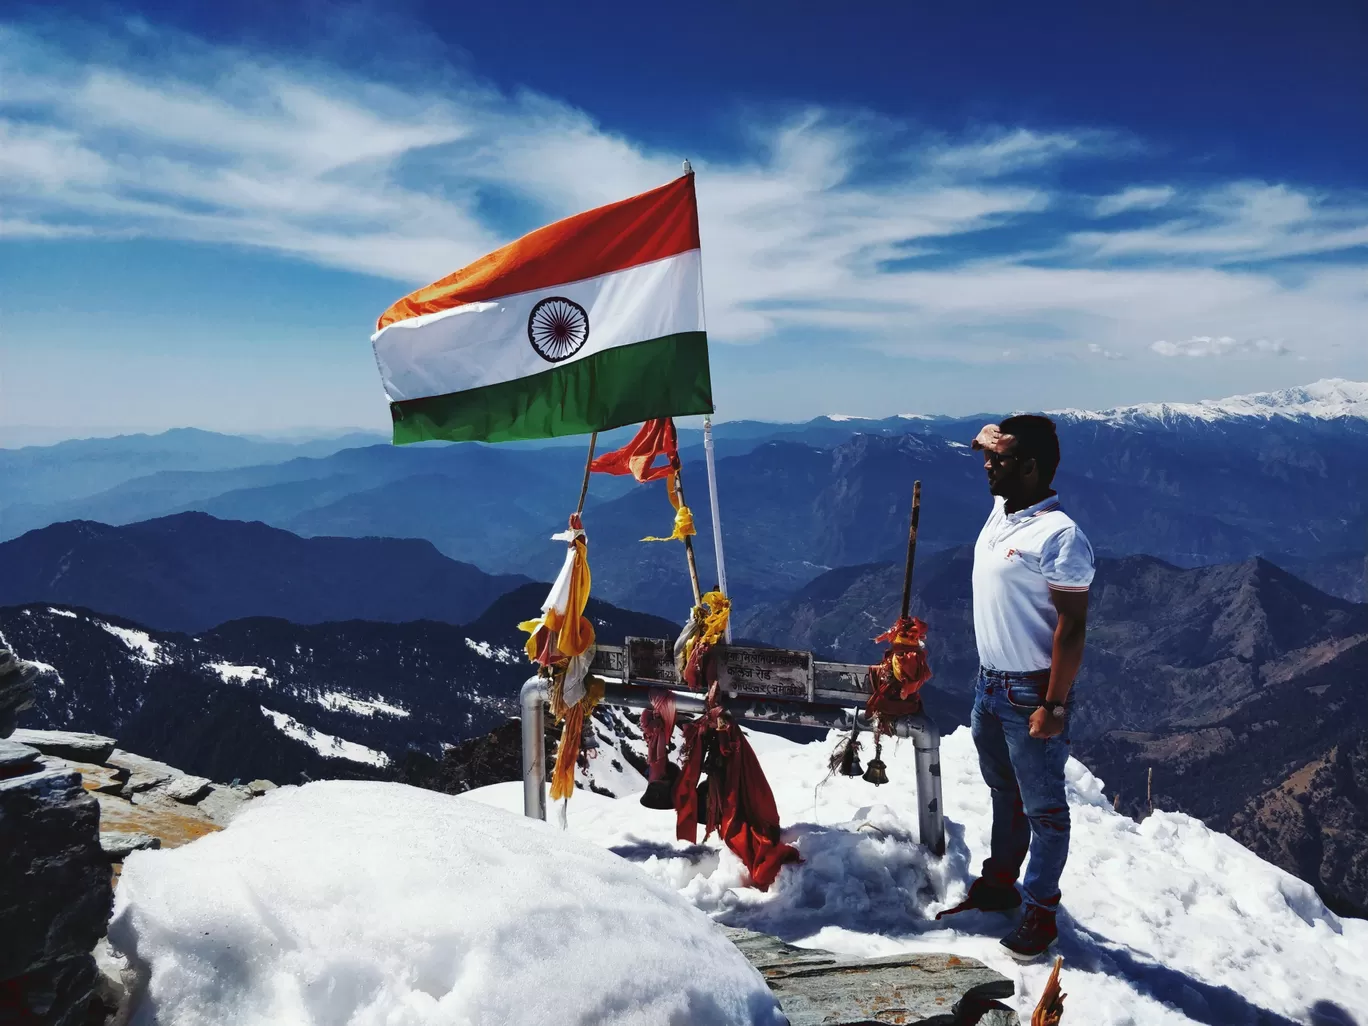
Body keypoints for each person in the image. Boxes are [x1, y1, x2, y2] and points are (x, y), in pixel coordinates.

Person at [937, 414, 1093, 961]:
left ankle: (1041, 914)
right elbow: (985, 437)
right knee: (1005, 792)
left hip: (1030, 692)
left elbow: (1072, 626)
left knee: (1045, 809)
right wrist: (993, 438)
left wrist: (1053, 703)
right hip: (988, 685)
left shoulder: (1060, 535)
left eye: (997, 460)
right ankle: (1001, 883)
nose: (985, 465)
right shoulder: (1003, 510)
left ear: (1028, 467)